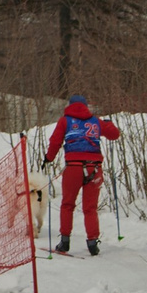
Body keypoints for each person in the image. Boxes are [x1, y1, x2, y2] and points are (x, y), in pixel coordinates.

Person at [42, 97, 122, 256]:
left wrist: (48, 158)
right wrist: (109, 123)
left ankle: (64, 242)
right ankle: (93, 243)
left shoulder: (65, 121)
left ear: (69, 106)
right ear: (85, 107)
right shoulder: (96, 121)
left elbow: (55, 141)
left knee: (67, 205)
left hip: (74, 168)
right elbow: (114, 134)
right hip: (94, 169)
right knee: (90, 208)